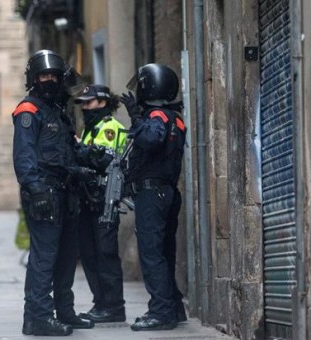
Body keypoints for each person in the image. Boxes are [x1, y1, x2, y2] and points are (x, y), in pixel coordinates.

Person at [12, 49, 94, 337]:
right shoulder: (29, 110)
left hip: (66, 192)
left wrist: (86, 163)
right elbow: (24, 156)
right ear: (34, 79)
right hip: (44, 191)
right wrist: (35, 190)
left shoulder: (58, 111)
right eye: (43, 75)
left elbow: (67, 150)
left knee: (67, 256)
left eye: (53, 76)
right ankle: (38, 317)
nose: (49, 80)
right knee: (44, 257)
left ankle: (65, 311)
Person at [122, 64, 187, 331]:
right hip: (167, 191)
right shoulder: (174, 116)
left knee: (151, 254)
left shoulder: (158, 115)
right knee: (164, 252)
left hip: (153, 193)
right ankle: (173, 307)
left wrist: (137, 119)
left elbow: (151, 139)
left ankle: (160, 312)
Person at [72, 84, 128, 323]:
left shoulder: (111, 128)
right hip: (88, 199)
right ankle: (100, 303)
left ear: (103, 103)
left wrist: (80, 148)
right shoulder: (89, 129)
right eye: (83, 103)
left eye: (89, 102)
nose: (85, 107)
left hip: (105, 200)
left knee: (105, 254)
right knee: (89, 254)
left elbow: (103, 160)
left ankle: (114, 306)